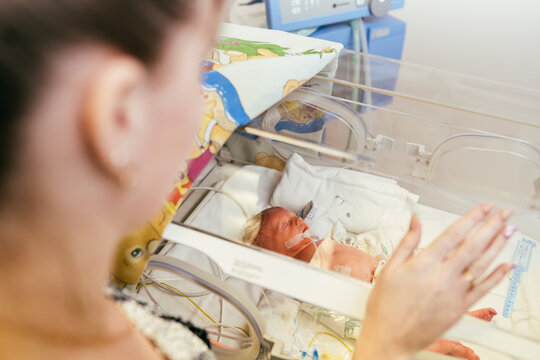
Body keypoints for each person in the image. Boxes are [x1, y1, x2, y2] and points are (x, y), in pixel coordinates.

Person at [0, 1, 515, 359]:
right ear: (119, 118)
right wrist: (386, 345)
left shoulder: (92, 314)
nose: (216, 114)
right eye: (204, 71)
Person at [244, 206, 510, 359]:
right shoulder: (302, 274)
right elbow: (326, 307)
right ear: (278, 252)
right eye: (287, 225)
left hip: (387, 278)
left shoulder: (322, 240)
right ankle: (441, 346)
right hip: (366, 304)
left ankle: (462, 316)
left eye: (294, 215)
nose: (299, 220)